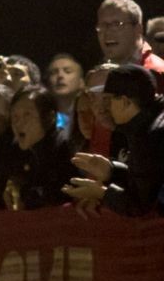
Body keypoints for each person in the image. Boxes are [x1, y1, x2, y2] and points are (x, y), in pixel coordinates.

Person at [64, 64, 164, 215]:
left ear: (125, 102)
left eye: (109, 100)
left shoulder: (150, 135)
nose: (105, 107)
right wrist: (112, 171)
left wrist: (102, 194)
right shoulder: (147, 126)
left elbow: (140, 205)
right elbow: (148, 179)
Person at [95, 0, 164, 81]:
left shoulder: (158, 73)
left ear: (138, 29)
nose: (108, 32)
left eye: (117, 24)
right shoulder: (97, 75)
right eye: (103, 25)